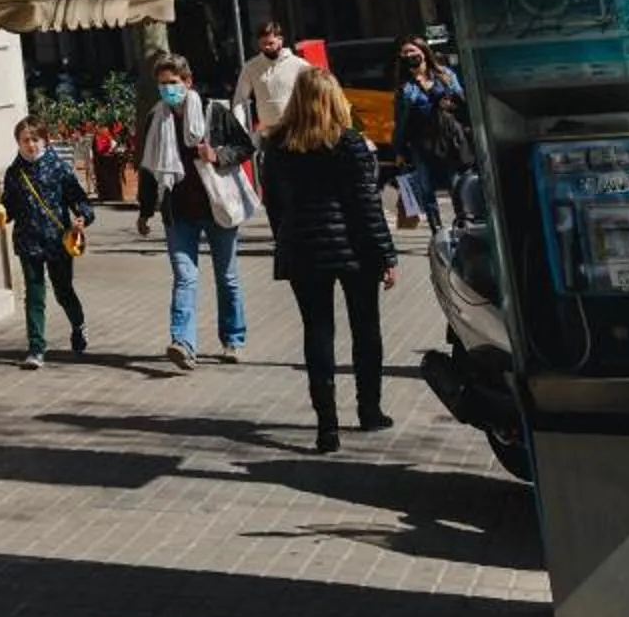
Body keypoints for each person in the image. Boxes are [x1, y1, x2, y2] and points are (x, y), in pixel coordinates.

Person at [262, 65, 399, 452]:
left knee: (317, 332)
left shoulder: (278, 145)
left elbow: (273, 202)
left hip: (304, 248)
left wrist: (285, 238)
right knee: (365, 328)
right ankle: (369, 410)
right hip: (354, 248)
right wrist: (386, 254)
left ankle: (327, 427)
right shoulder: (349, 143)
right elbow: (366, 206)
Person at [136, 53, 254, 369]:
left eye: (173, 83)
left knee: (226, 277)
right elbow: (148, 169)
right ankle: (182, 343)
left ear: (187, 82)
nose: (168, 90)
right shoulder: (155, 118)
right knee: (184, 277)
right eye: (162, 84)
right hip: (179, 212)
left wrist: (217, 154)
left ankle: (233, 340)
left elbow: (246, 147)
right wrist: (145, 210)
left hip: (218, 207)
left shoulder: (214, 111)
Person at [0, 118, 93, 368]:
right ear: (18, 142)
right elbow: (10, 206)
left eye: (35, 140)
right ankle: (36, 348)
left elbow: (78, 198)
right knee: (34, 295)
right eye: (25, 140)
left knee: (63, 291)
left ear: (44, 141)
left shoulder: (58, 168)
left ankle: (78, 324)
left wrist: (83, 216)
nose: (30, 145)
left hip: (58, 242)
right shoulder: (14, 173)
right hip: (28, 242)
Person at [393, 38, 468, 233]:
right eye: (405, 53)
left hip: (447, 137)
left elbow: (459, 102)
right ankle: (437, 229)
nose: (409, 56)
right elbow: (400, 121)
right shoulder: (405, 87)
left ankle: (463, 223)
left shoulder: (444, 75)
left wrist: (428, 87)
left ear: (423, 51)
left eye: (412, 51)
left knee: (456, 183)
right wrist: (399, 149)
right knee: (426, 188)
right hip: (420, 141)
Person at [231, 18, 307, 137]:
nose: (266, 47)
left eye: (270, 43)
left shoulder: (299, 65)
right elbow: (239, 100)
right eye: (263, 44)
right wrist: (241, 130)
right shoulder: (251, 67)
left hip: (296, 132)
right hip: (268, 135)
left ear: (280, 40)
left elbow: (315, 95)